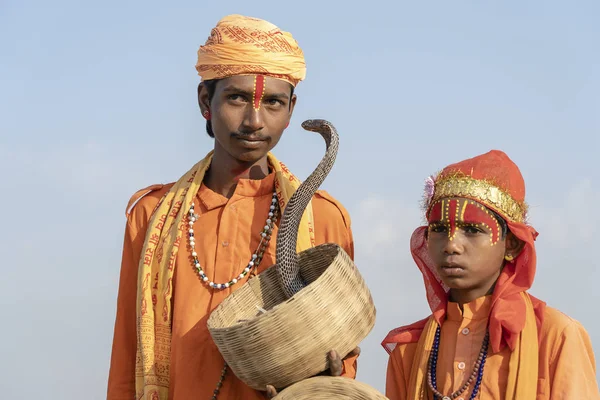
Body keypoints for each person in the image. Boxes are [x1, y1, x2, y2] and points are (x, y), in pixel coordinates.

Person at [107, 14, 359, 400]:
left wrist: (327, 371)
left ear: (292, 111)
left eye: (273, 102)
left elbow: (344, 353)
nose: (254, 121)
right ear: (205, 100)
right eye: (237, 97)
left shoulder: (323, 216)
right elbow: (127, 354)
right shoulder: (150, 214)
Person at [382, 150, 599, 399]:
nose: (451, 245)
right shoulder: (409, 350)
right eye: (440, 229)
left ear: (512, 245)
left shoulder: (554, 337)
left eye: (473, 230)